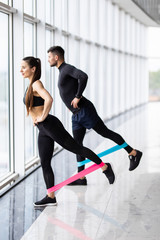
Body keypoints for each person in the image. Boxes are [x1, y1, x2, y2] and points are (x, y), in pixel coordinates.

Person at [21, 56, 115, 207]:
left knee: (77, 148)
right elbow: (35, 106)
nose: (21, 70)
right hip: (43, 129)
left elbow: (49, 99)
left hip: (50, 125)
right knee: (45, 162)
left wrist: (42, 116)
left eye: (24, 67)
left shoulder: (36, 84)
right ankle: (50, 196)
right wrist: (35, 118)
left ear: (33, 69)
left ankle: (105, 167)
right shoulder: (30, 85)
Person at [47, 46, 143, 186]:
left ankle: (133, 152)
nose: (48, 59)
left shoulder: (66, 68)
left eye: (49, 57)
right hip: (76, 114)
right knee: (77, 145)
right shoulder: (62, 71)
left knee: (105, 132)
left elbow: (83, 76)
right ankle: (81, 178)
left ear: (56, 57)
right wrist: (71, 103)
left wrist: (78, 97)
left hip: (85, 111)